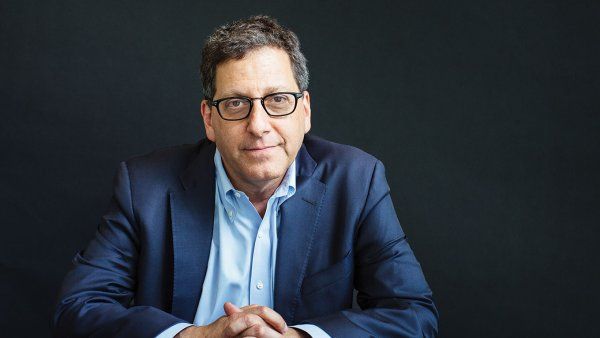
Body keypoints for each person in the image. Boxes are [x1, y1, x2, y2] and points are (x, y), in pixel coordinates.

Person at [52, 15, 438, 338]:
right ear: (209, 119)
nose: (258, 126)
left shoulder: (357, 180)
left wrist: (302, 337)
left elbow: (413, 314)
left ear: (305, 111)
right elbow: (77, 308)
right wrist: (193, 336)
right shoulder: (145, 185)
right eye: (236, 103)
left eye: (278, 100)